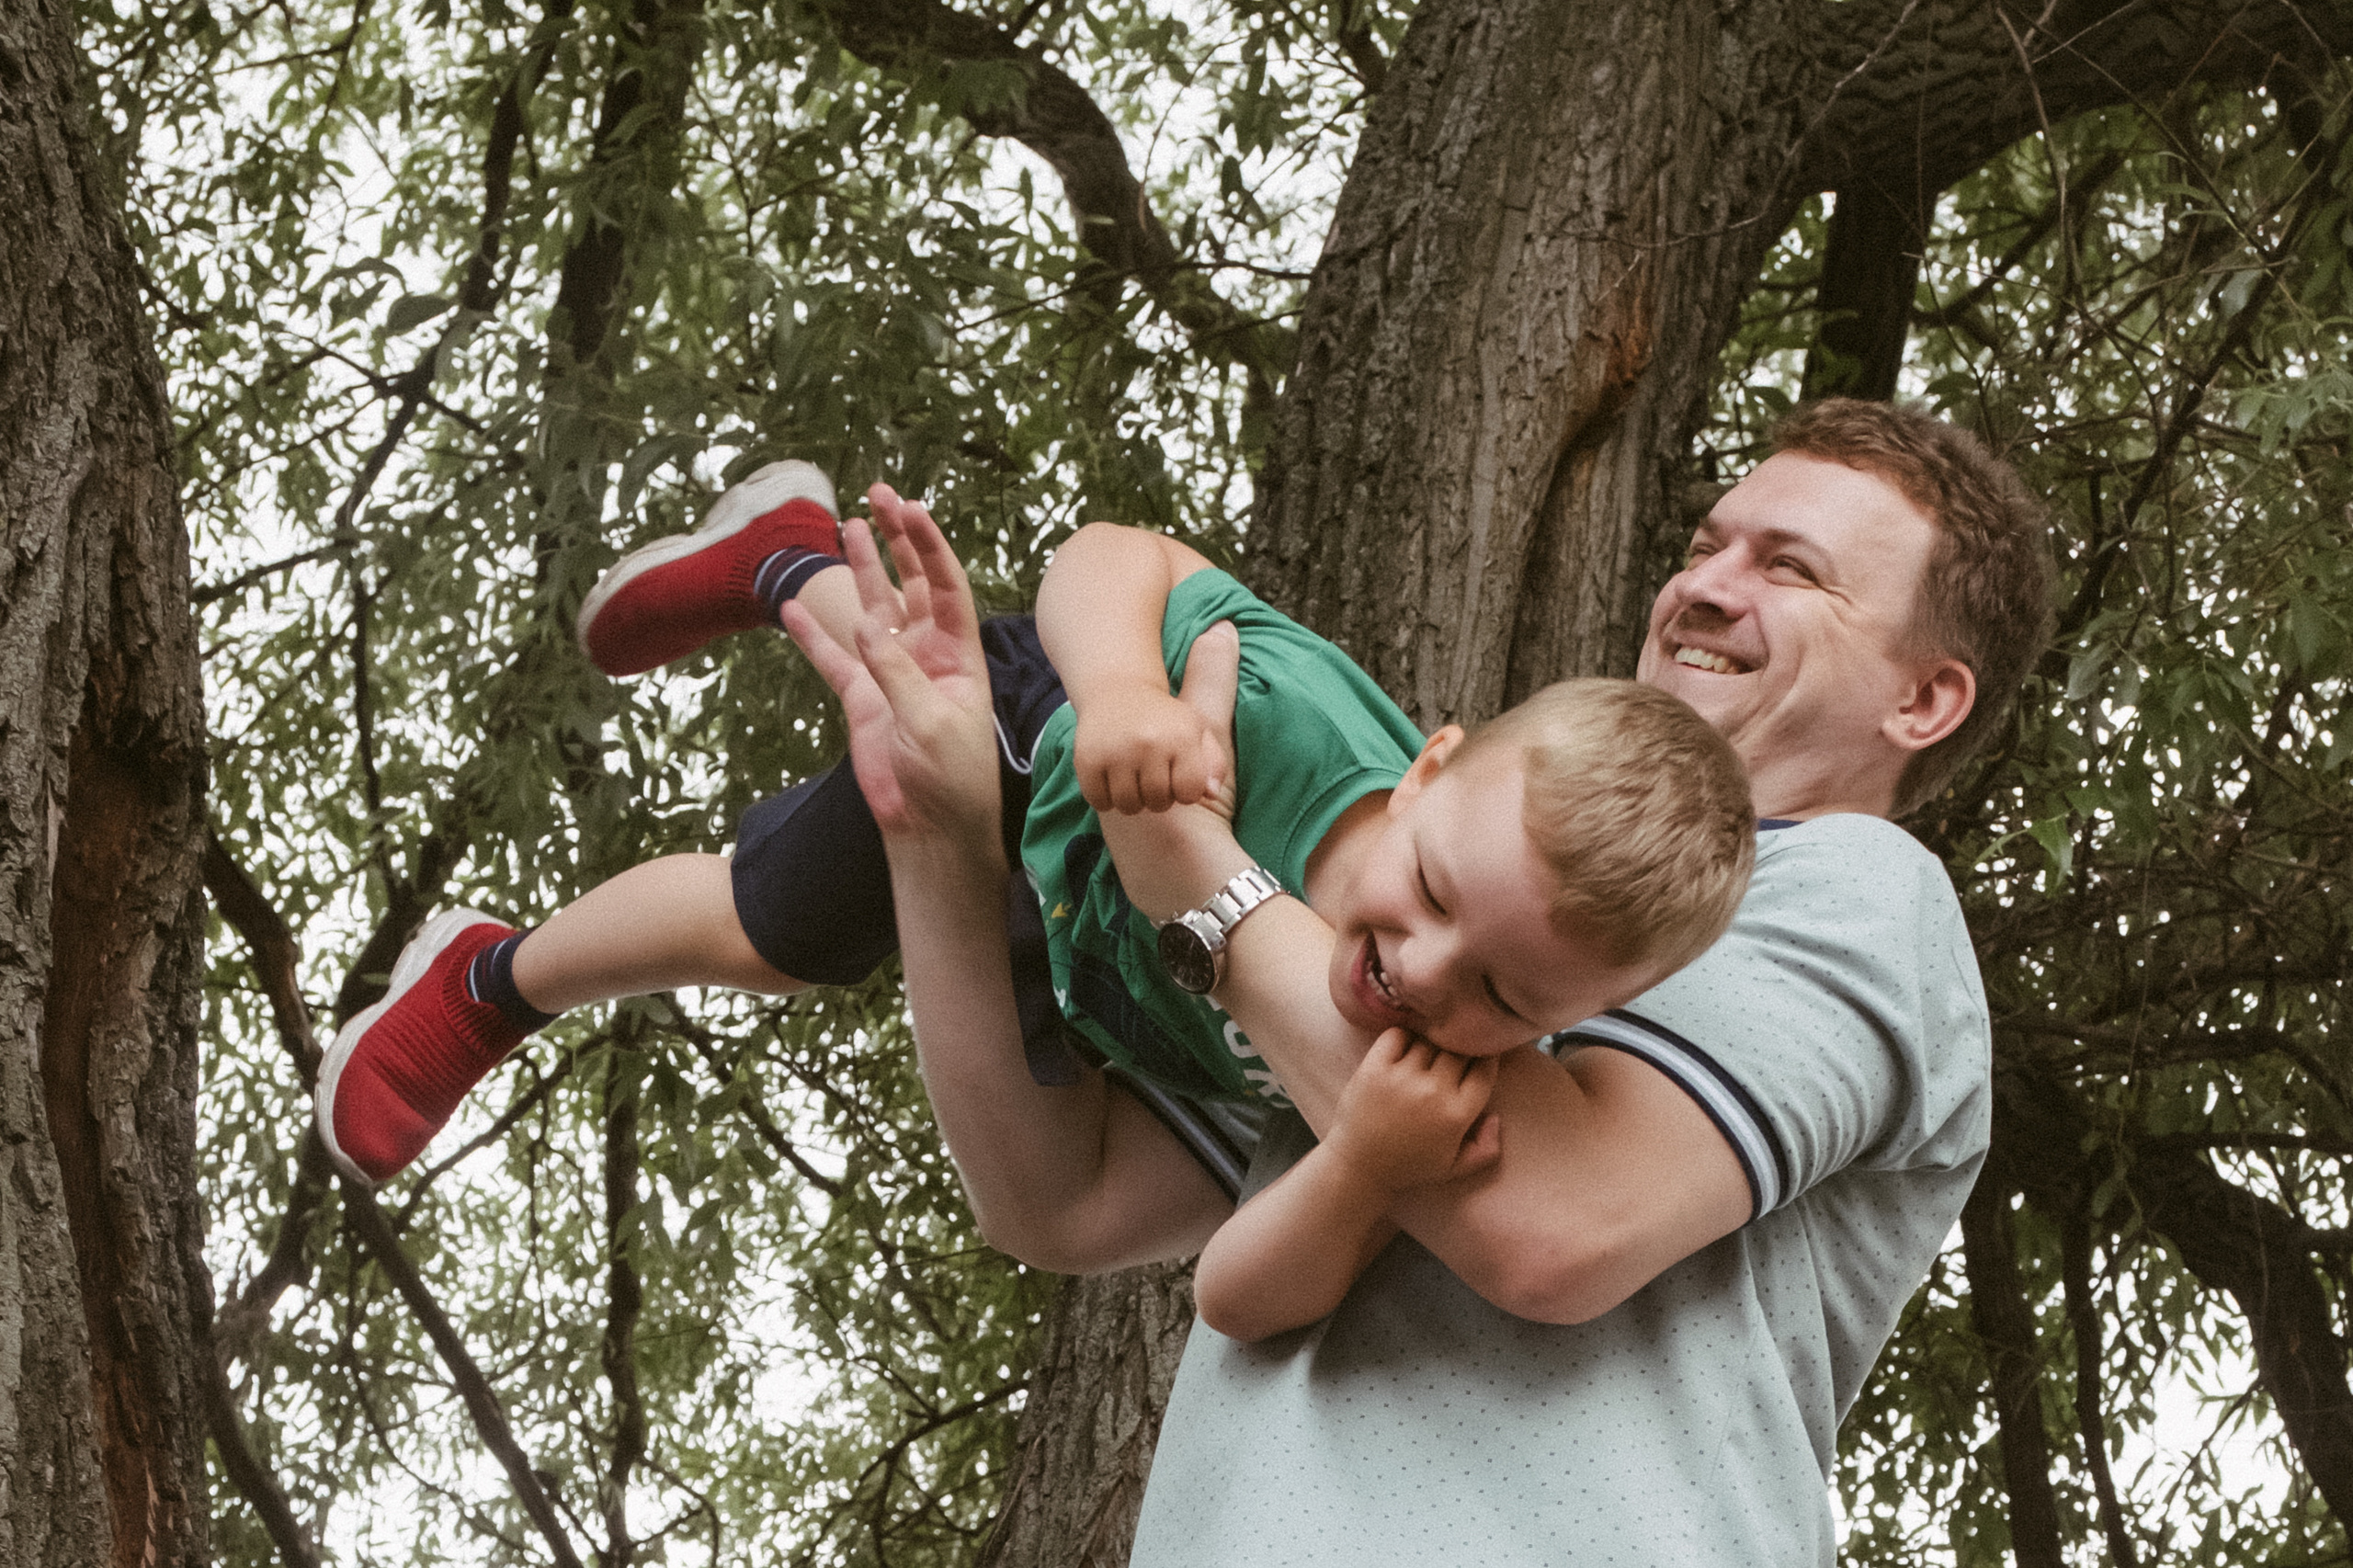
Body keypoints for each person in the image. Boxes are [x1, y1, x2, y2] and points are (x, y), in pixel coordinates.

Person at [795, 398, 2052, 1564]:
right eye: (1707, 542)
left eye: (1790, 567)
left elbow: (1550, 1222)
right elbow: (1058, 1200)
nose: (1705, 587)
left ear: (1926, 696)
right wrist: (941, 840)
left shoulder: (1861, 884)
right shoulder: (1421, 954)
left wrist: (1197, 872)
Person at [314, 455, 1758, 1324]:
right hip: (1050, 761)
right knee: (774, 930)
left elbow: (1236, 1292)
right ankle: (490, 979)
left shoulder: (1420, 1083)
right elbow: (1115, 557)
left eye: (1506, 990)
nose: (1430, 972)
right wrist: (1128, 686)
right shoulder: (1295, 728)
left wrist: (1369, 1171)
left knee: (830, 889)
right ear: (1432, 767)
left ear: (1589, 1012)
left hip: (1100, 979)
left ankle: (786, 554)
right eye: (1431, 887)